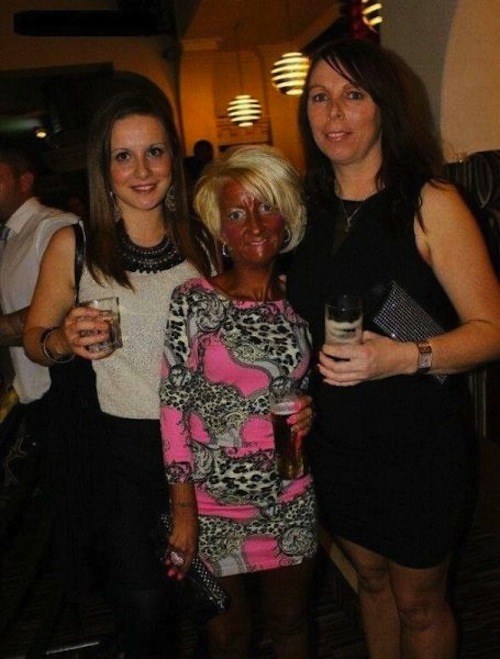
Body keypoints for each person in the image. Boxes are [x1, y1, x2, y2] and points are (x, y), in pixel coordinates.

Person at [286, 38, 500, 659]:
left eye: (353, 95)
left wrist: (401, 357)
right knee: (371, 582)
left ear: (385, 107)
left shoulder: (431, 202)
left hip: (417, 445)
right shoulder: (303, 209)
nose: (333, 113)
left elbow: (492, 329)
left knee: (419, 604)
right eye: (319, 97)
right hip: (335, 442)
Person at [23, 88, 213, 657]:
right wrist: (63, 340)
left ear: (173, 157)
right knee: (144, 606)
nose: (142, 171)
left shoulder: (204, 239)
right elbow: (34, 340)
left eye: (154, 152)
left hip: (203, 444)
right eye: (123, 156)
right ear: (103, 169)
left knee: (210, 606)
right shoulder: (74, 244)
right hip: (120, 454)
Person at [159, 145, 317, 658]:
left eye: (266, 206)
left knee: (291, 624)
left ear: (286, 218)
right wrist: (184, 512)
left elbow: (323, 380)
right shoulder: (193, 299)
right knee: (227, 639)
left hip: (289, 495)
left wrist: (313, 408)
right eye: (235, 213)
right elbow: (173, 409)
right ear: (220, 230)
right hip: (210, 505)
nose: (253, 224)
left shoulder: (304, 300)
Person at [0, 143, 77, 454]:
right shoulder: (10, 237)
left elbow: (76, 304)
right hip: (24, 398)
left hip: (61, 395)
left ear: (25, 180)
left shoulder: (54, 226)